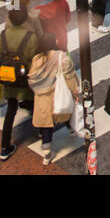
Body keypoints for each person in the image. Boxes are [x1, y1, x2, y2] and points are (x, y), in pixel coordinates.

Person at [0, 2, 41, 162]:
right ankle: (42, 131)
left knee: (10, 111)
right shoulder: (31, 37)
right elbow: (36, 60)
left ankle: (4, 147)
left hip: (9, 78)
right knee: (35, 104)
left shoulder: (3, 35)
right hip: (26, 79)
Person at [26, 31, 80, 165]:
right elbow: (69, 77)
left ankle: (47, 153)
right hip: (58, 94)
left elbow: (31, 79)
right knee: (66, 111)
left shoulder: (36, 59)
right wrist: (75, 92)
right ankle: (72, 129)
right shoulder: (62, 57)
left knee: (46, 125)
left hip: (42, 98)